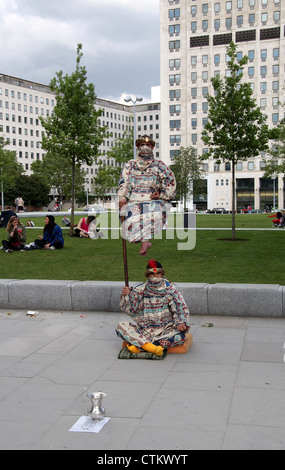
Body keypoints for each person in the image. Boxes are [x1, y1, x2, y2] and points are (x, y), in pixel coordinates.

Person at [116, 259, 190, 357]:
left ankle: (141, 345)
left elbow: (180, 307)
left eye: (158, 273)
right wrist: (126, 296)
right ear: (147, 275)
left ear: (162, 274)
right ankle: (151, 347)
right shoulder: (140, 289)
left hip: (165, 330)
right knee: (121, 327)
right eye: (152, 274)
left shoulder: (170, 289)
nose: (155, 276)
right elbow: (131, 309)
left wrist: (181, 322)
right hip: (145, 330)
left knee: (180, 336)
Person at [117, 135, 176, 256]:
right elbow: (125, 181)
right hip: (134, 200)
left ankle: (146, 240)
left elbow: (170, 182)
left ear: (153, 147)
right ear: (138, 147)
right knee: (130, 220)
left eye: (148, 145)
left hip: (152, 200)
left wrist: (161, 194)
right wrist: (123, 196)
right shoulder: (131, 165)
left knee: (155, 213)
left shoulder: (159, 165)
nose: (145, 147)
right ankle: (144, 240)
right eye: (142, 145)